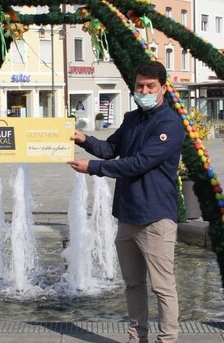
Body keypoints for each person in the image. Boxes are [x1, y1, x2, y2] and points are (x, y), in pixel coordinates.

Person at [67, 61, 184, 343]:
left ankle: (167, 339)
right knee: (133, 285)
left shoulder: (169, 123)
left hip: (155, 218)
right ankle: (136, 338)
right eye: (139, 85)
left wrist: (93, 168)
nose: (143, 90)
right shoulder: (132, 118)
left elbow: (139, 163)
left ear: (163, 89)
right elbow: (110, 149)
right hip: (127, 217)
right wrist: (82, 138)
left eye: (150, 86)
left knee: (162, 287)